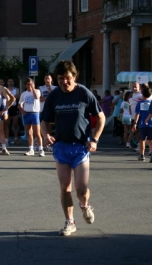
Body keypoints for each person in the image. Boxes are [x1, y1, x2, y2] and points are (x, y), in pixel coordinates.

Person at [41, 60, 106, 236]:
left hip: (80, 147)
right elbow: (44, 120)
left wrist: (95, 139)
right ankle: (70, 222)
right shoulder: (54, 96)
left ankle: (85, 205)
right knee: (65, 188)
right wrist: (46, 134)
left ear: (74, 76)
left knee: (82, 190)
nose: (64, 82)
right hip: (61, 147)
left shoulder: (84, 93)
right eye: (60, 78)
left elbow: (101, 117)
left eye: (67, 78)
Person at [19, 77, 44, 157]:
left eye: (30, 84)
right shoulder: (24, 93)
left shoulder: (37, 91)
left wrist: (33, 88)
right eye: (27, 84)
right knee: (29, 132)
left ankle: (41, 149)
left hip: (35, 113)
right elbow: (20, 104)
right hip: (27, 114)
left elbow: (36, 97)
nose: (29, 86)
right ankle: (31, 149)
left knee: (37, 133)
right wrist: (22, 111)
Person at [132, 85, 152, 162]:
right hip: (151, 123)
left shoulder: (140, 103)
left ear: (142, 94)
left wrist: (135, 123)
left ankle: (142, 155)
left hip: (142, 124)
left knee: (142, 140)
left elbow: (137, 114)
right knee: (151, 140)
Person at [39, 73, 57, 151]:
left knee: (50, 127)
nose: (47, 80)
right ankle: (43, 143)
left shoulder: (55, 88)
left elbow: (55, 98)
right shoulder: (41, 88)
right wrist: (49, 97)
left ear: (51, 79)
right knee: (43, 126)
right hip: (42, 109)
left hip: (52, 110)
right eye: (45, 78)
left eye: (48, 78)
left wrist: (48, 95)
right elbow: (40, 99)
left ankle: (49, 143)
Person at [4, 78, 20, 145]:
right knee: (7, 124)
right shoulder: (5, 89)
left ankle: (16, 138)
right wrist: (13, 97)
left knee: (15, 124)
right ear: (7, 82)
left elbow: (17, 96)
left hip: (14, 107)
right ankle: (7, 139)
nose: (10, 82)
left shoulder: (16, 89)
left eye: (12, 81)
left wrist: (10, 97)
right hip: (7, 107)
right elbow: (5, 97)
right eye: (9, 81)